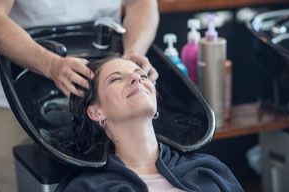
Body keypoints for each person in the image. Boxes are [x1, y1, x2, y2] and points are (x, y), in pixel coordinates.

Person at [0, 0, 159, 191]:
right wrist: (50, 64)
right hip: (18, 91)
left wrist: (132, 54)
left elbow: (142, 3)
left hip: (104, 91)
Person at [64, 57, 244, 192]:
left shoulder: (206, 169)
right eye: (116, 79)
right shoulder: (88, 188)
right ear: (96, 112)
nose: (136, 79)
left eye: (141, 74)